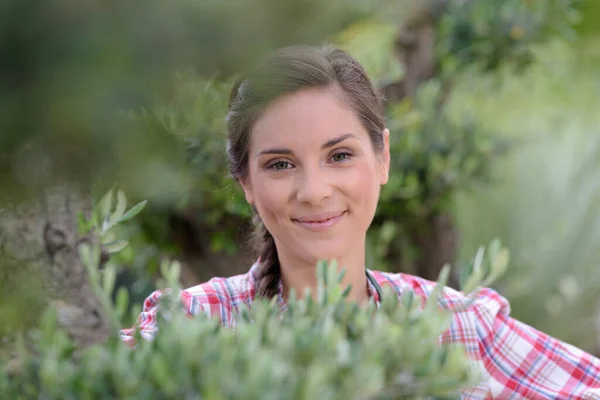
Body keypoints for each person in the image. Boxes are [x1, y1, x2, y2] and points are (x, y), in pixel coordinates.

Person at [120, 45, 600, 398]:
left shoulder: (458, 328)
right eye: (280, 164)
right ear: (245, 181)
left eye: (340, 155)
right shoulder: (190, 325)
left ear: (383, 157)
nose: (315, 191)